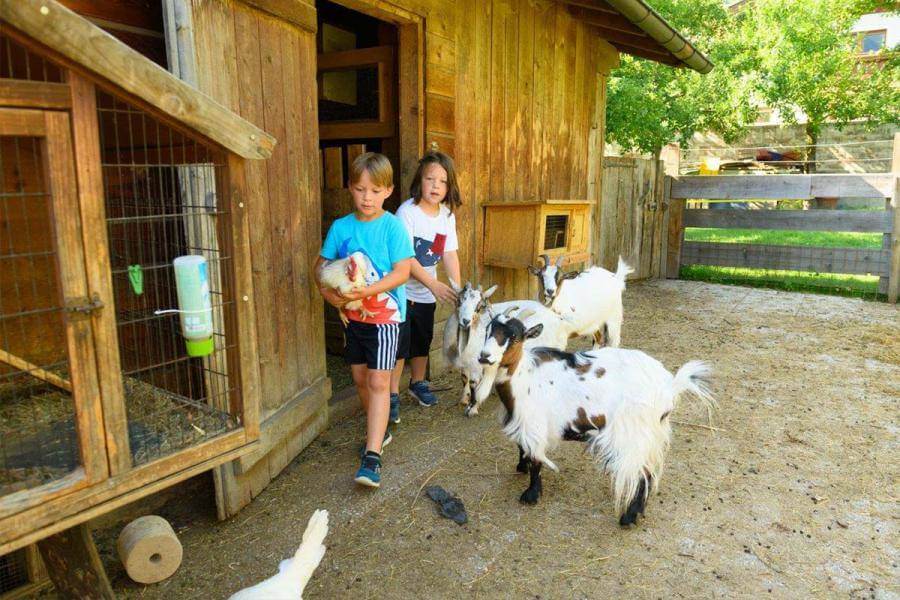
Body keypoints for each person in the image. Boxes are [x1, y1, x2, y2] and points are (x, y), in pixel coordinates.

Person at [315, 152, 413, 488]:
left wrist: (366, 291)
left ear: (388, 191)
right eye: (360, 189)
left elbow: (401, 273)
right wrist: (330, 295)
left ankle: (372, 457)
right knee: (359, 378)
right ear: (350, 188)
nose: (367, 197)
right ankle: (380, 429)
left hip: (385, 318)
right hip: (352, 318)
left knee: (378, 382)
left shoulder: (392, 227)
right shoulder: (341, 227)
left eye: (375, 190)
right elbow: (320, 267)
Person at [390, 151, 462, 418]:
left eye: (442, 181)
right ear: (419, 180)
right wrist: (433, 284)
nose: (435, 186)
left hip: (425, 295)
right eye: (430, 179)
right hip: (400, 291)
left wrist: (457, 289)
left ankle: (417, 383)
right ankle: (391, 394)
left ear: (449, 186)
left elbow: (449, 253)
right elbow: (406, 258)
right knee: (400, 345)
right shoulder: (406, 213)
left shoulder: (447, 216)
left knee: (422, 340)